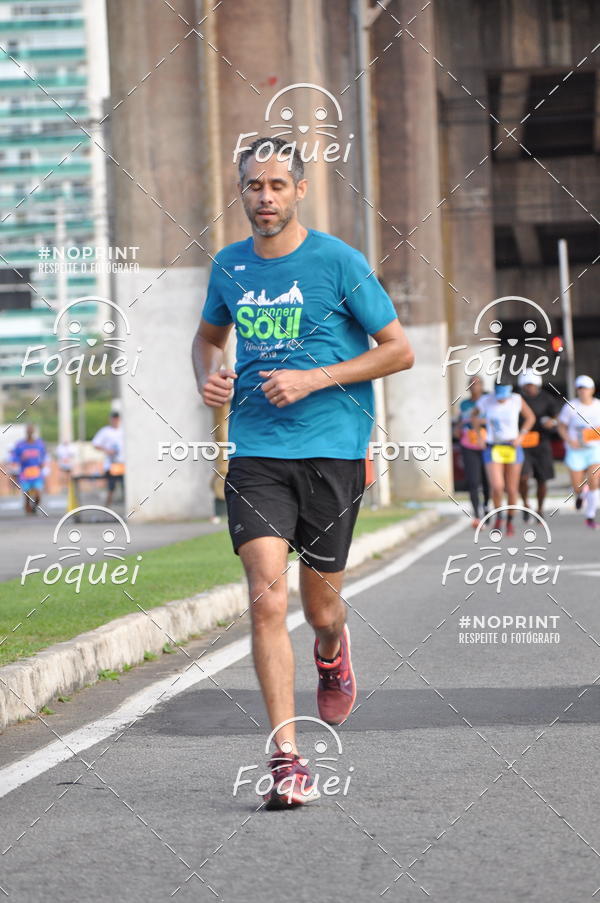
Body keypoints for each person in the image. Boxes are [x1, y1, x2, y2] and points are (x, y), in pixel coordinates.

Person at [192, 137, 414, 809]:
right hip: (257, 452)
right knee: (265, 593)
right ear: (242, 191)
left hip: (332, 452)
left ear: (300, 190)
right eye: (254, 186)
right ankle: (286, 757)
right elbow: (207, 338)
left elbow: (398, 350)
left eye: (278, 185)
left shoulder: (339, 263)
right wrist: (210, 375)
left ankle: (331, 646)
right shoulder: (229, 268)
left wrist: (316, 377)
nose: (265, 197)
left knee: (321, 607)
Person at [473, 383, 535, 536]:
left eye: (504, 397)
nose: (501, 400)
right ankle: (499, 517)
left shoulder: (516, 399)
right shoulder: (486, 400)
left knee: (512, 488)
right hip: (493, 447)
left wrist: (521, 436)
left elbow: (530, 417)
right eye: (499, 397)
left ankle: (510, 520)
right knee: (497, 486)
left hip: (512, 446)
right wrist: (480, 436)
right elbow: (473, 416)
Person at [517, 370, 562, 520]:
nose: (530, 388)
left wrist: (552, 422)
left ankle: (540, 508)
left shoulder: (547, 398)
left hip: (541, 442)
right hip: (522, 443)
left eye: (532, 385)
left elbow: (557, 416)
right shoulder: (517, 399)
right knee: (523, 477)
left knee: (541, 479)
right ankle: (525, 504)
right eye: (527, 385)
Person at [557, 375, 600, 529]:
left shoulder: (598, 406)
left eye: (586, 388)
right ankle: (581, 495)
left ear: (592, 390)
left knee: (594, 481)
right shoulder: (570, 406)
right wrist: (569, 440)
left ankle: (590, 516)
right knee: (577, 486)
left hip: (594, 449)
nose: (583, 392)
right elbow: (561, 426)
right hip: (575, 450)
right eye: (580, 389)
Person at [454, 375, 489, 528]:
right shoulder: (464, 405)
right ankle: (476, 514)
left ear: (482, 386)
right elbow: (461, 421)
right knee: (473, 481)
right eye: (471, 384)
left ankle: (487, 508)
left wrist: (479, 421)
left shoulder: (488, 402)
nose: (474, 387)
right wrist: (458, 427)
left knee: (487, 481)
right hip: (468, 444)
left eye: (477, 384)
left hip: (486, 444)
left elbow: (493, 419)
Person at [11, 423, 46, 514]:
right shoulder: (20, 444)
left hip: (36, 472)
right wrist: (20, 459)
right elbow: (14, 457)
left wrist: (42, 463)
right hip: (25, 472)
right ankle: (27, 507)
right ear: (26, 431)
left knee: (38, 495)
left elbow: (44, 456)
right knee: (27, 494)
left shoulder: (39, 444)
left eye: (31, 430)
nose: (30, 431)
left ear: (34, 431)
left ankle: (34, 507)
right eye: (28, 430)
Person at [92, 411, 125, 507]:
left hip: (123, 463)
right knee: (111, 487)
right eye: (113, 418)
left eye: (116, 418)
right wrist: (107, 450)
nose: (115, 420)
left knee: (125, 487)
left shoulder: (123, 430)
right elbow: (95, 444)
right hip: (112, 464)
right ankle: (107, 507)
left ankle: (126, 508)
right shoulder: (105, 431)